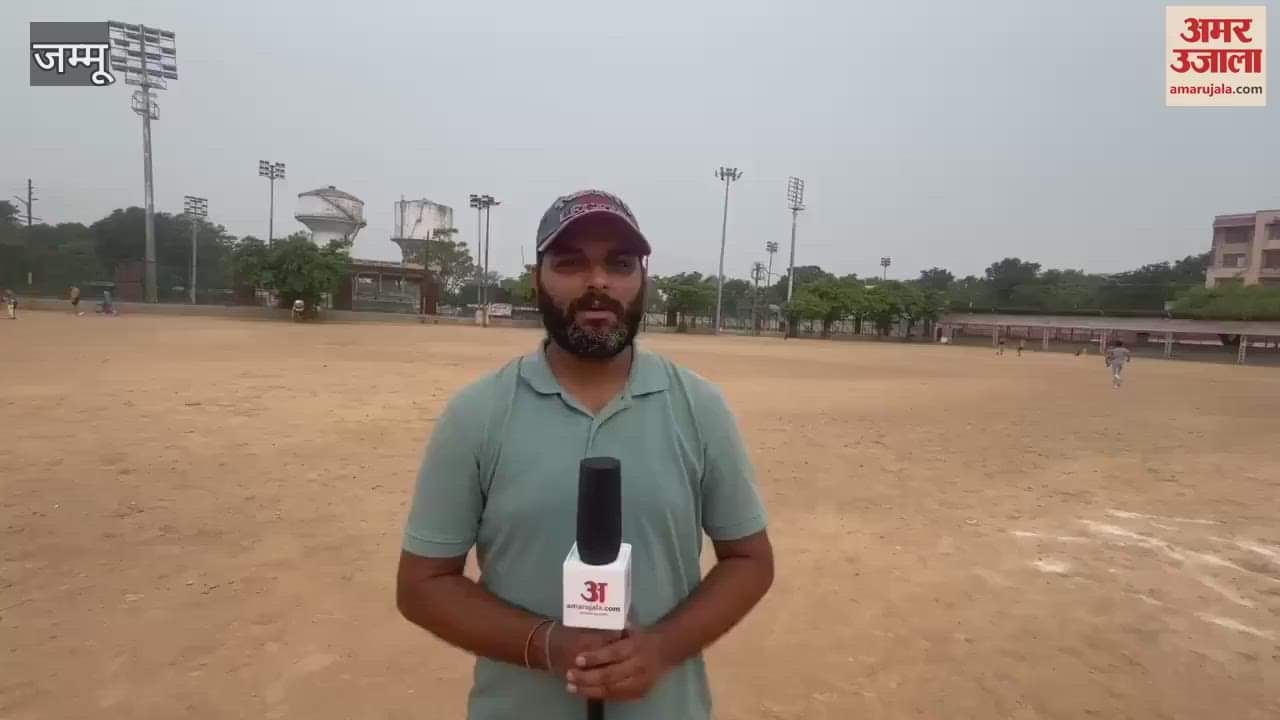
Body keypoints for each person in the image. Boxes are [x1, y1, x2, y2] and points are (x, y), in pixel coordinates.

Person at [396, 190, 774, 720]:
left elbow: (750, 560)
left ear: (643, 279)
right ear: (537, 279)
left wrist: (661, 648)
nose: (598, 282)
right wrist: (545, 644)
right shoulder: (478, 413)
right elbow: (422, 584)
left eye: (619, 264)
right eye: (571, 263)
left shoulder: (698, 407)